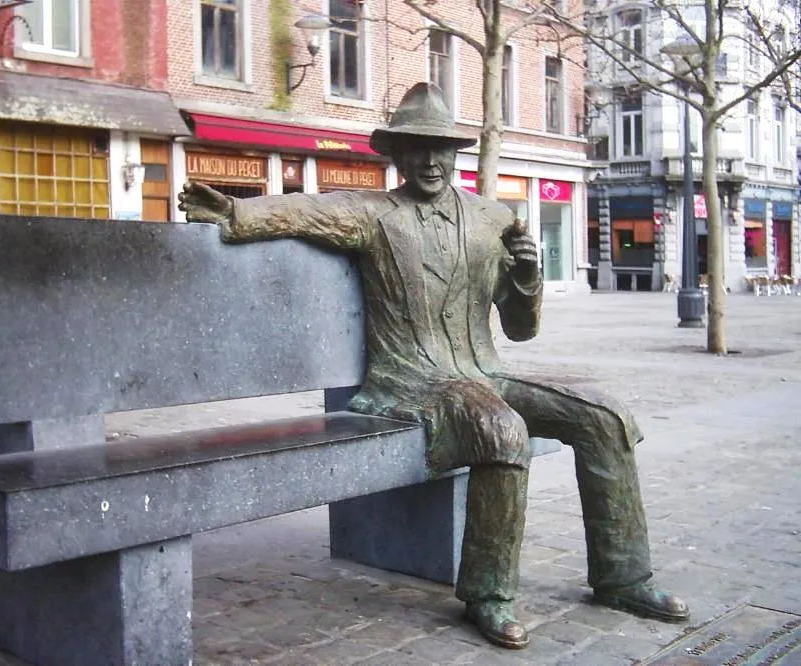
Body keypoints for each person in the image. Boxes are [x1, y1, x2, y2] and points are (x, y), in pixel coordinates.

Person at [178, 82, 688, 650]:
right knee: (499, 428)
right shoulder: (374, 215)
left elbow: (519, 327)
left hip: (482, 370)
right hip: (411, 381)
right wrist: (237, 211)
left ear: (455, 154)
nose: (429, 161)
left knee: (606, 416)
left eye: (440, 149)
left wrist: (525, 277)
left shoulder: (492, 219)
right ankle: (489, 594)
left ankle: (624, 577)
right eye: (416, 148)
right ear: (395, 154)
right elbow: (307, 211)